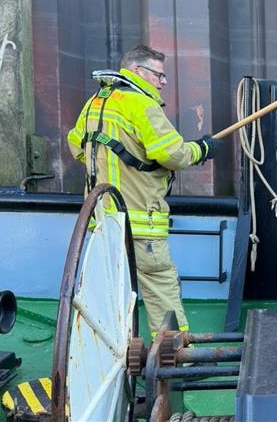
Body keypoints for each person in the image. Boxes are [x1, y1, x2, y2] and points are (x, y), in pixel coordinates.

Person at [67, 44, 220, 335]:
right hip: (141, 222)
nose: (163, 82)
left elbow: (77, 145)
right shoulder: (142, 104)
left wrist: (115, 161)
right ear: (138, 71)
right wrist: (203, 149)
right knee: (161, 286)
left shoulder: (96, 103)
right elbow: (172, 155)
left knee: (114, 290)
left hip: (104, 221)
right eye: (159, 75)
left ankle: (113, 351)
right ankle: (172, 359)